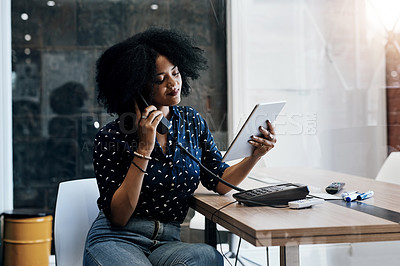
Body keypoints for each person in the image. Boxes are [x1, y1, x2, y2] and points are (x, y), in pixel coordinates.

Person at [83, 28, 277, 266]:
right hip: (118, 239)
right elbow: (120, 217)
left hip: (168, 242)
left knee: (209, 257)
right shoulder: (111, 136)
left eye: (175, 73)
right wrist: (144, 148)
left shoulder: (191, 121)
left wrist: (254, 156)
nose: (173, 83)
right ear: (137, 88)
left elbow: (220, 180)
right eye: (159, 79)